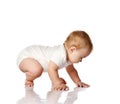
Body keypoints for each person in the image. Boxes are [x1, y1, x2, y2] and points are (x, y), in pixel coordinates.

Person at [16, 30, 93, 91]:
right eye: (81, 57)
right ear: (72, 50)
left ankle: (56, 80)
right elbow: (51, 68)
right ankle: (28, 79)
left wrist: (78, 81)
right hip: (25, 57)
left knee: (40, 70)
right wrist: (56, 83)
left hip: (29, 57)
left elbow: (71, 70)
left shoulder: (68, 57)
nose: (81, 60)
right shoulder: (60, 53)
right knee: (37, 70)